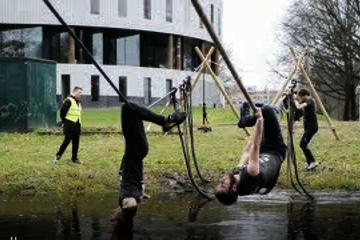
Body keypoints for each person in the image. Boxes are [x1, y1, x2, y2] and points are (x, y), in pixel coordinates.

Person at [109, 101, 187, 228]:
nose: (111, 218)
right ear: (123, 219)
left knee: (135, 112)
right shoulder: (128, 199)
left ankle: (166, 123)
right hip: (135, 150)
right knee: (127, 108)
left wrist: (142, 195)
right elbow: (132, 205)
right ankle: (164, 121)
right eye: (115, 221)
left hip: (138, 150)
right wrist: (127, 209)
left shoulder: (134, 196)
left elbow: (137, 198)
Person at [216, 101, 287, 206]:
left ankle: (247, 120)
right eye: (223, 184)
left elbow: (246, 153)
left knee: (266, 115)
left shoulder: (237, 177)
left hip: (263, 152)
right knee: (266, 110)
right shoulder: (250, 177)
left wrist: (257, 129)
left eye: (219, 183)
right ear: (234, 188)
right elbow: (255, 146)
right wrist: (259, 121)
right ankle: (245, 120)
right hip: (275, 150)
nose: (221, 180)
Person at [54, 86, 83, 164]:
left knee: (76, 142)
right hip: (69, 124)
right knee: (67, 141)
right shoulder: (68, 100)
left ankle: (74, 159)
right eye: (79, 92)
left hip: (77, 125)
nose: (80, 94)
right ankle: (58, 155)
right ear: (74, 92)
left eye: (81, 93)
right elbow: (62, 113)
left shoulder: (78, 102)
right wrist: (65, 122)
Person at [293, 88, 319, 171]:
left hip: (312, 127)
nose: (300, 99)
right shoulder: (307, 101)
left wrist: (296, 101)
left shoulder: (310, 101)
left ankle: (313, 161)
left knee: (302, 144)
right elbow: (300, 102)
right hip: (309, 126)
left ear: (305, 95)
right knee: (304, 144)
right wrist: (294, 96)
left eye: (301, 97)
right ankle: (310, 164)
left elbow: (299, 107)